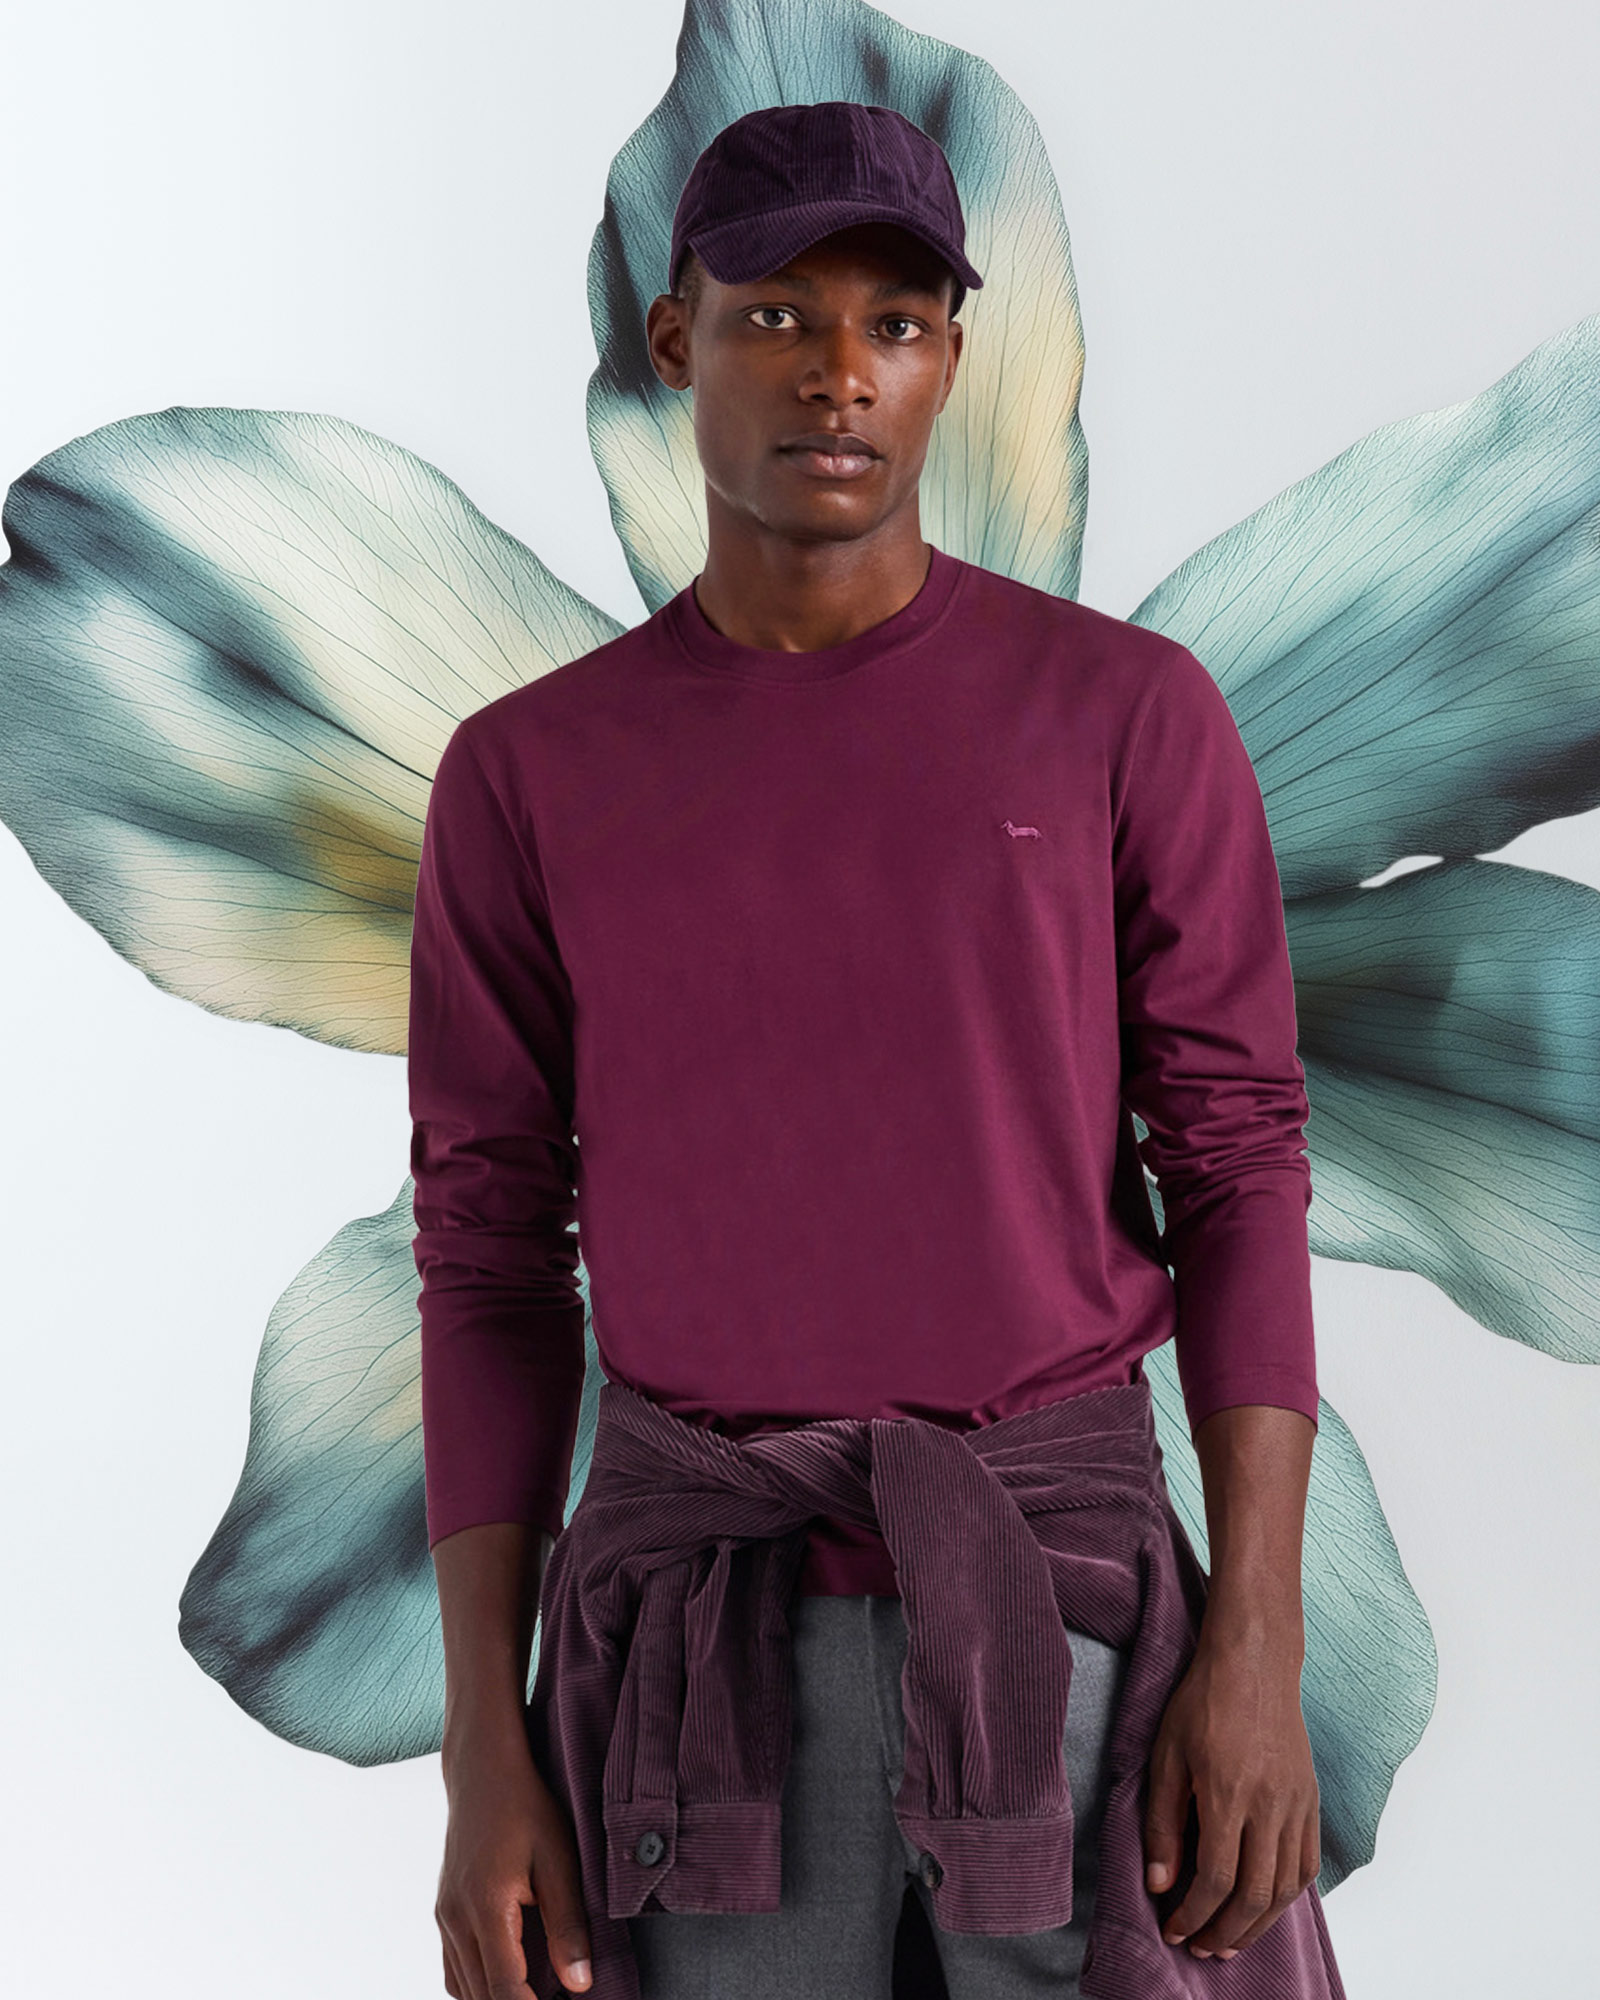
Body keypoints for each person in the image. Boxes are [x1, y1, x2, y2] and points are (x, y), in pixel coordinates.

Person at [409, 101, 1343, 2000]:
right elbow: (488, 1252)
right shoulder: (529, 774)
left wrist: (1260, 1644)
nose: (839, 372)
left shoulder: (1122, 716)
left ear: (951, 361)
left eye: (896, 323)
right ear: (674, 340)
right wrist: (481, 1745)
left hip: (1067, 1609)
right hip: (699, 1658)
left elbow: (1240, 1166)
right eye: (776, 315)